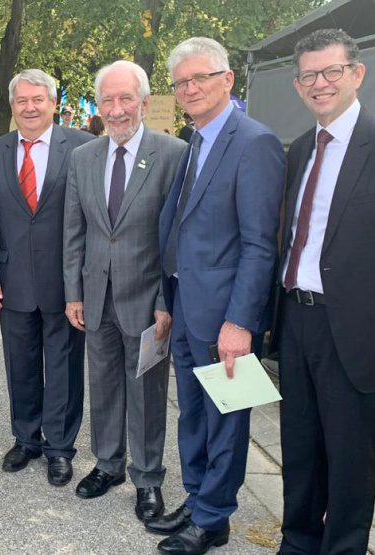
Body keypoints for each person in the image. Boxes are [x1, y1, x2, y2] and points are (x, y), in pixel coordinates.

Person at [149, 37, 285, 554]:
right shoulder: (196, 139)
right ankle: (198, 498)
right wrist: (167, 299)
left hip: (226, 315)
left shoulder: (254, 142)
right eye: (181, 82)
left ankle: (213, 519)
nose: (189, 89)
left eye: (199, 78)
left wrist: (240, 322)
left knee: (226, 416)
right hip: (186, 303)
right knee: (192, 412)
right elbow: (182, 226)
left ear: (228, 79)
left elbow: (259, 244)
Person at [64, 60, 187, 521]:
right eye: (107, 100)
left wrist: (165, 301)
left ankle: (148, 476)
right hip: (95, 296)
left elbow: (176, 236)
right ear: (98, 106)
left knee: (147, 393)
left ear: (144, 103)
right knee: (103, 384)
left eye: (126, 99)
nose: (116, 109)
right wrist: (73, 293)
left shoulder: (173, 154)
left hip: (149, 300)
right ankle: (108, 464)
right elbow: (74, 232)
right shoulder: (84, 157)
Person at [273, 29, 375, 555]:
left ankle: (343, 548)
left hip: (354, 328)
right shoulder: (299, 150)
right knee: (300, 443)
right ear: (297, 85)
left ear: (356, 74)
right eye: (309, 75)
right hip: (296, 319)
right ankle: (297, 542)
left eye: (332, 71)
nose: (320, 83)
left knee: (351, 454)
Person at [0, 69, 92, 487]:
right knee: (20, 364)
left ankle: (60, 447)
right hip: (11, 280)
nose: (30, 107)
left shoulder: (82, 146)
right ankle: (26, 439)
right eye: (22, 100)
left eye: (38, 99)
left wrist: (84, 281)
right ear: (12, 105)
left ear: (53, 103)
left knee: (64, 368)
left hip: (66, 282)